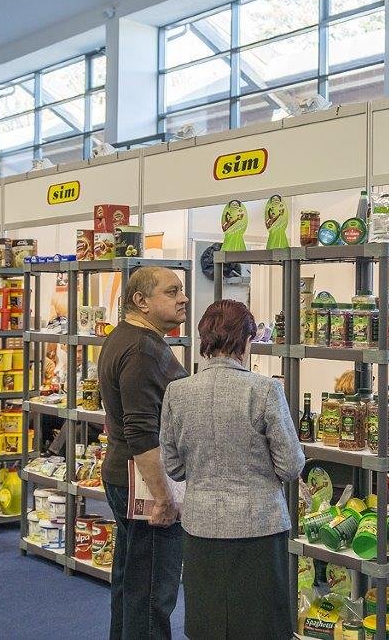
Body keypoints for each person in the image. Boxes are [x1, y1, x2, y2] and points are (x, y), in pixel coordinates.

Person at [160, 300, 304, 639]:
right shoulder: (265, 390)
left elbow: (174, 467)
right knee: (261, 626)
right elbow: (290, 465)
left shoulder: (177, 392)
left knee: (208, 624)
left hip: (201, 526)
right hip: (259, 527)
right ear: (246, 340)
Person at [99, 266, 189, 640]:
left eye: (181, 290)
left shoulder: (125, 337)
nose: (183, 298)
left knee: (132, 582)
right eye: (172, 291)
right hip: (143, 484)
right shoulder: (142, 349)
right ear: (141, 301)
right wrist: (163, 497)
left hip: (126, 477)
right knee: (152, 591)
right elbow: (141, 432)